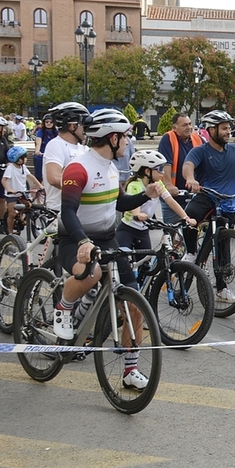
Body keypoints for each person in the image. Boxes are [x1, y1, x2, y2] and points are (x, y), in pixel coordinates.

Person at [53, 109, 163, 390]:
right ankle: (64, 308)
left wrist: (145, 195)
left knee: (134, 304)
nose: (128, 142)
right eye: (125, 137)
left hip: (106, 239)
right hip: (74, 238)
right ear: (112, 138)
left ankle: (130, 369)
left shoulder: (112, 168)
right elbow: (68, 212)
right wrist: (82, 242)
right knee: (89, 275)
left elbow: (119, 204)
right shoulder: (78, 168)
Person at [181, 110, 235, 304]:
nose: (228, 132)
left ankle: (221, 288)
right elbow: (188, 166)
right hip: (207, 197)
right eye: (223, 128)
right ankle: (190, 252)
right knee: (189, 216)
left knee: (223, 248)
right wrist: (190, 179)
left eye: (229, 128)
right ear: (211, 130)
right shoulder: (201, 151)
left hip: (229, 202)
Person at [116, 149, 196, 269]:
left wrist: (186, 217)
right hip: (127, 229)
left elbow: (171, 201)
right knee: (122, 263)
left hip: (143, 231)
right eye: (159, 169)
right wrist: (138, 214)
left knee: (146, 266)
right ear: (147, 171)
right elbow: (134, 206)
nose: (163, 172)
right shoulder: (135, 185)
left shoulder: (159, 185)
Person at [43, 102, 90, 213]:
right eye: (84, 124)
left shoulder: (83, 148)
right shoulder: (56, 145)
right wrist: (88, 189)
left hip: (80, 211)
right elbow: (54, 178)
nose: (87, 129)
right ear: (73, 126)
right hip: (59, 209)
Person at [158, 112, 203, 224]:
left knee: (193, 227)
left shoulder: (197, 139)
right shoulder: (168, 138)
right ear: (175, 128)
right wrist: (168, 185)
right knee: (171, 228)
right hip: (174, 194)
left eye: (189, 124)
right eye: (184, 125)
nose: (189, 127)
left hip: (193, 193)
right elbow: (166, 164)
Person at [1, 145, 42, 234]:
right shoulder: (10, 168)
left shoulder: (23, 167)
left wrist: (40, 186)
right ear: (18, 159)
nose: (26, 159)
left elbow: (31, 176)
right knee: (12, 214)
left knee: (29, 207)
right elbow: (3, 180)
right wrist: (9, 189)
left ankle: (27, 223)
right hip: (12, 195)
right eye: (25, 157)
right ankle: (10, 232)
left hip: (22, 193)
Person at [33, 114, 58, 180]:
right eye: (47, 122)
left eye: (51, 122)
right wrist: (37, 151)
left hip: (54, 154)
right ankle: (38, 182)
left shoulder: (56, 132)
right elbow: (38, 142)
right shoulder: (40, 131)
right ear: (44, 123)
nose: (49, 123)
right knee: (37, 159)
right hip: (43, 153)